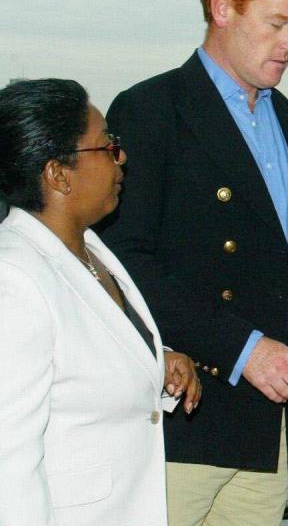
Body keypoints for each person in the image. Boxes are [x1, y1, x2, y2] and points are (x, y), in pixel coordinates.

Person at [96, 0, 288, 524]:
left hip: (267, 430)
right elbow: (123, 262)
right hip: (182, 422)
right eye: (277, 24)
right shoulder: (152, 110)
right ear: (222, 7)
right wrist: (243, 349)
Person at [0, 78, 201, 525]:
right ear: (58, 173)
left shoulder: (91, 250)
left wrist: (155, 360)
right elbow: (7, 464)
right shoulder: (13, 279)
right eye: (106, 145)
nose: (121, 156)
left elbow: (81, 355)